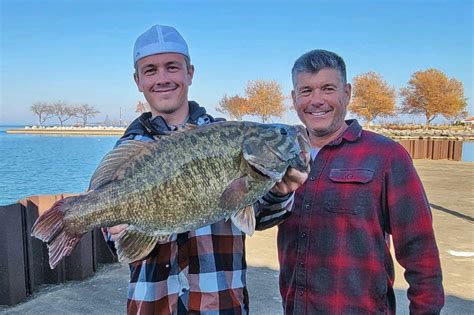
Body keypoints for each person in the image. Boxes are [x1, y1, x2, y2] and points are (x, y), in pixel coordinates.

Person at [104, 24, 307, 314]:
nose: (162, 78)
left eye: (172, 67)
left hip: (220, 303)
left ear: (190, 73)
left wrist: (279, 193)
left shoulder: (225, 135)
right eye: (151, 70)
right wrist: (112, 230)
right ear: (138, 80)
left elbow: (258, 218)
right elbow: (117, 245)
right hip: (152, 305)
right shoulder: (128, 149)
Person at [273, 49, 445, 314]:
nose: (316, 100)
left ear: (347, 93)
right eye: (306, 91)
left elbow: (420, 252)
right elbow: (260, 217)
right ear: (294, 98)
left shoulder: (386, 156)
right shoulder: (281, 157)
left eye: (328, 88)